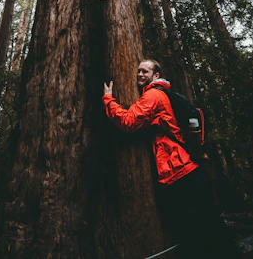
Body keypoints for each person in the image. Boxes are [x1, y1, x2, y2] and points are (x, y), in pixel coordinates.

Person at [103, 59, 241, 259]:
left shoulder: (153, 95)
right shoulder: (164, 94)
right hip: (188, 170)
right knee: (211, 229)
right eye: (138, 71)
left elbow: (128, 121)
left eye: (145, 71)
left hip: (179, 174)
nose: (140, 74)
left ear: (156, 75)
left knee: (197, 234)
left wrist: (108, 99)